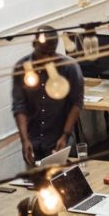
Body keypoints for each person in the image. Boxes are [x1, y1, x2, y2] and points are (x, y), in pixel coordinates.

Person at [12, 25, 85, 165]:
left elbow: (77, 103)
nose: (47, 58)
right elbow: (19, 106)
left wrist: (65, 135)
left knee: (65, 180)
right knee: (37, 183)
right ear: (34, 45)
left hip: (59, 138)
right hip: (33, 139)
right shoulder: (22, 68)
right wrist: (24, 139)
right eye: (43, 52)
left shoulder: (69, 67)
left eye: (51, 53)